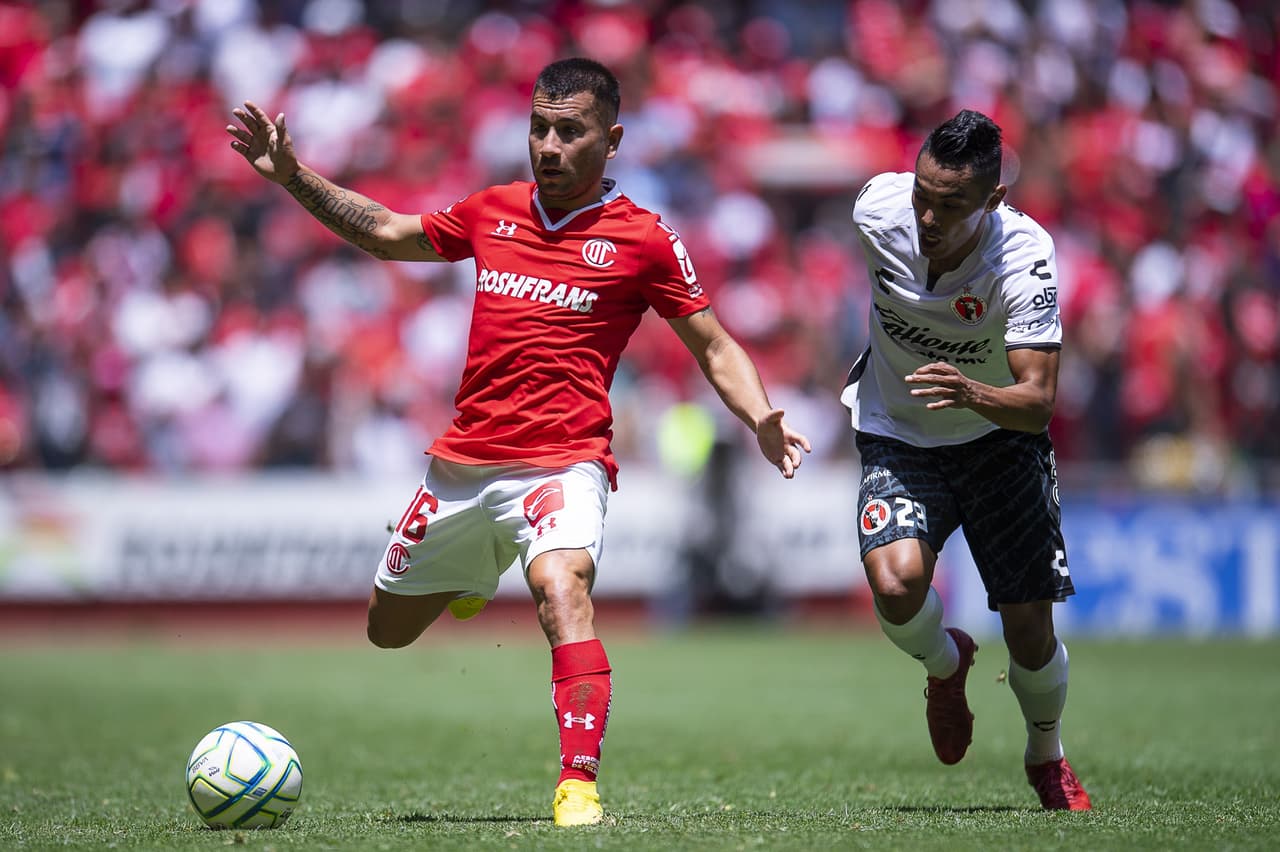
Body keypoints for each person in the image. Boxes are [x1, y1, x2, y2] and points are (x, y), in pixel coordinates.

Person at [226, 57, 810, 827]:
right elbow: (388, 233)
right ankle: (476, 570)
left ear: (613, 139)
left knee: (562, 589)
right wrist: (293, 176)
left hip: (567, 460)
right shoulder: (492, 211)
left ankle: (578, 784)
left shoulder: (644, 239)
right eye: (539, 127)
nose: (548, 145)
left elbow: (714, 344)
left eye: (570, 131)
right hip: (466, 463)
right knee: (386, 628)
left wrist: (760, 415)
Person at [840, 110, 1091, 810]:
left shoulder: (1025, 258)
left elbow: (1038, 403)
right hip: (897, 429)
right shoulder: (875, 210)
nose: (927, 216)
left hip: (998, 441)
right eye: (923, 193)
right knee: (895, 585)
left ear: (993, 201)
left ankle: (1047, 753)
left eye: (950, 206)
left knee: (1029, 631)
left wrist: (970, 391)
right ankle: (946, 665)